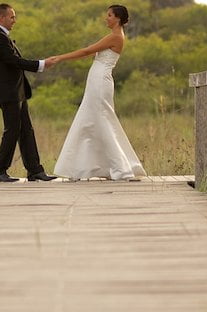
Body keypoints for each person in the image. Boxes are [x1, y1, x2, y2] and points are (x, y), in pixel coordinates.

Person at [46, 5, 146, 182]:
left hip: (101, 81)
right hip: (96, 80)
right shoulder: (113, 35)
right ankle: (85, 168)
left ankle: (121, 169)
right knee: (89, 120)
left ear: (117, 18)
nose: (106, 18)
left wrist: (60, 58)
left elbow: (86, 51)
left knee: (102, 120)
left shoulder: (115, 36)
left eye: (109, 15)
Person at [0, 3, 56, 183]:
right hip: (8, 93)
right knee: (11, 131)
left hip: (17, 93)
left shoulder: (2, 37)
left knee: (26, 130)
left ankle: (35, 171)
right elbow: (14, 61)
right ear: (1, 18)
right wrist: (40, 64)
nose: (14, 21)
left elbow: (14, 62)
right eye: (12, 17)